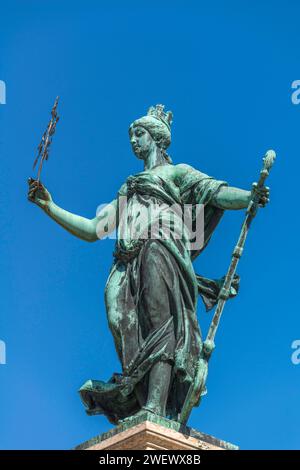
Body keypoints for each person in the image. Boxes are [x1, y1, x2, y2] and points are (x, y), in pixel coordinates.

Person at [28, 104, 269, 425]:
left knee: (160, 324)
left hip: (161, 250)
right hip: (126, 264)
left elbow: (216, 193)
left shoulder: (176, 173)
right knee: (121, 322)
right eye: (131, 135)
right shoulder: (129, 186)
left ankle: (154, 406)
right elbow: (92, 229)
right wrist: (50, 206)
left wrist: (248, 197)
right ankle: (143, 397)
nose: (133, 140)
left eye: (138, 134)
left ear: (156, 138)